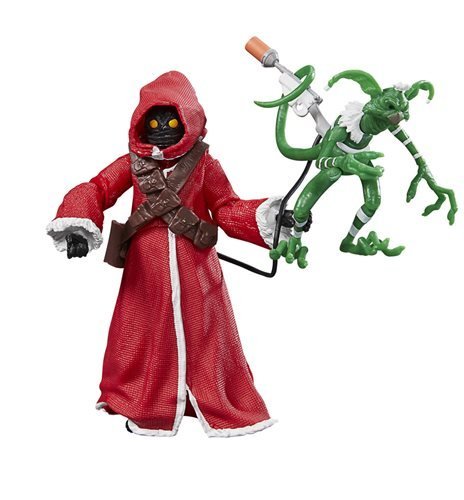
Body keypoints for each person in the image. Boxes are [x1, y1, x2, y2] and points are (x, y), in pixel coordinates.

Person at [47, 71, 288, 437]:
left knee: (206, 332)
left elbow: (226, 208)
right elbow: (98, 189)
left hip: (197, 265)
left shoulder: (205, 164)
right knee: (143, 332)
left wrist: (273, 217)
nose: (162, 129)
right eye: (154, 121)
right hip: (147, 265)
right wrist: (78, 224)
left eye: (172, 121)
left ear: (188, 120)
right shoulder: (132, 162)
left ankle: (212, 397)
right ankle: (144, 402)